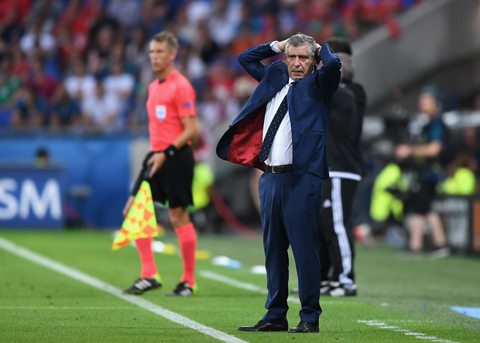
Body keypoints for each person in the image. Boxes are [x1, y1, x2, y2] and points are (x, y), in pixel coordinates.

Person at [217, 33, 341, 333]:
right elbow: (245, 58)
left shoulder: (320, 84)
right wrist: (278, 45)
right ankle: (275, 315)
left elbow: (334, 63)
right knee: (273, 251)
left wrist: (318, 45)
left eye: (303, 58)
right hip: (270, 178)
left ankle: (310, 317)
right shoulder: (274, 75)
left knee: (304, 251)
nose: (296, 63)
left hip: (302, 179)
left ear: (313, 61)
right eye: (292, 57)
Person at [122, 31, 199, 296]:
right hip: (156, 155)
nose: (154, 57)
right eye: (152, 52)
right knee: (135, 210)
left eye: (159, 52)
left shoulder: (182, 85)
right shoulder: (153, 87)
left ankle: (188, 281)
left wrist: (166, 152)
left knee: (178, 217)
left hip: (176, 157)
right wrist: (160, 152)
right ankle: (149, 274)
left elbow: (191, 130)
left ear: (172, 54)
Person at [316, 52, 365, 298]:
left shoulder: (343, 95)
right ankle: (334, 277)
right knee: (328, 223)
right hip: (333, 168)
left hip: (340, 169)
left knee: (337, 224)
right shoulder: (336, 95)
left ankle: (346, 279)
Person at [395, 87, 450, 258]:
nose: (422, 103)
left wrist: (409, 150)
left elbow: (434, 149)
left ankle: (415, 246)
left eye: (426, 100)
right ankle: (440, 245)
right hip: (426, 173)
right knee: (427, 209)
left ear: (436, 103)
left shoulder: (436, 124)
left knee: (417, 209)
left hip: (428, 173)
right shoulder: (426, 123)